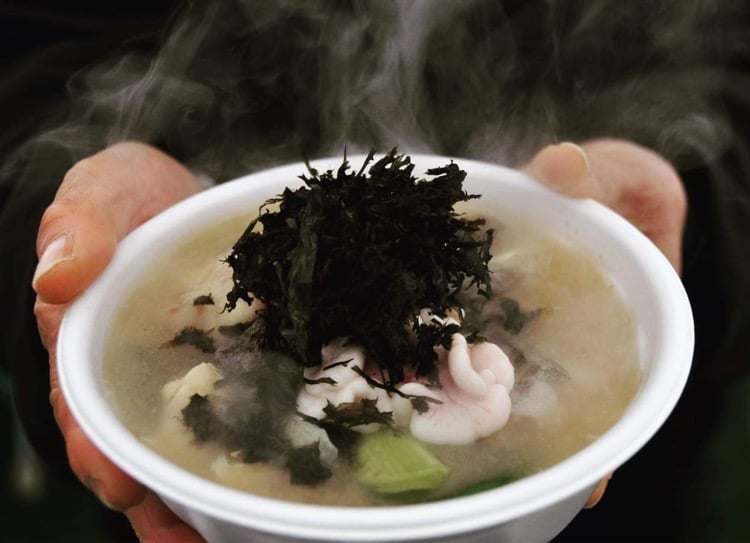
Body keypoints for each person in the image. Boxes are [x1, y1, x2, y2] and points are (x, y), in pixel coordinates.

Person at [1, 1, 748, 541]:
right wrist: (68, 211)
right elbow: (34, 53)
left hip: (607, 508)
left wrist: (695, 200)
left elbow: (726, 64)